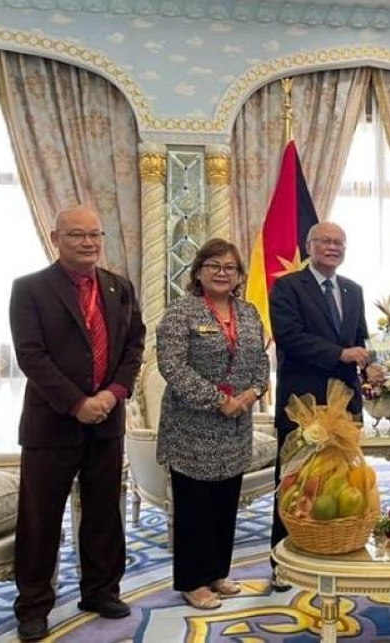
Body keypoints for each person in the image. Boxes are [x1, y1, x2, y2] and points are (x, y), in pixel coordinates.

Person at [9, 204, 145, 642]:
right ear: (55, 238)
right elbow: (31, 355)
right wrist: (76, 403)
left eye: (95, 235)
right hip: (52, 425)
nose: (88, 242)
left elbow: (134, 346)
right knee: (40, 518)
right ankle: (33, 604)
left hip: (106, 421)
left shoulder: (118, 287)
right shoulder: (29, 289)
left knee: (105, 511)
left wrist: (110, 395)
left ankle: (101, 590)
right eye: (76, 235)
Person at [155, 238, 269, 610]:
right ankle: (192, 580)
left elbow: (261, 362)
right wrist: (219, 400)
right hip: (192, 427)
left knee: (225, 503)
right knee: (195, 507)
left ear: (239, 276)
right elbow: (172, 367)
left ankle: (218, 571)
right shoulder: (181, 313)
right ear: (199, 272)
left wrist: (252, 393)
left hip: (236, 427)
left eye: (230, 268)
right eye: (214, 266)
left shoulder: (249, 312)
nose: (223, 273)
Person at [268, 220, 369, 590]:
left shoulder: (353, 289)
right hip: (303, 404)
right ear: (308, 246)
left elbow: (361, 338)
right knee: (295, 481)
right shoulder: (287, 287)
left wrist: (373, 361)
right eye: (325, 241)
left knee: (342, 484)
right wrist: (341, 353)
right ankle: (283, 562)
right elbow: (290, 338)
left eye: (339, 242)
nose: (333, 247)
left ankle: (333, 553)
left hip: (345, 404)